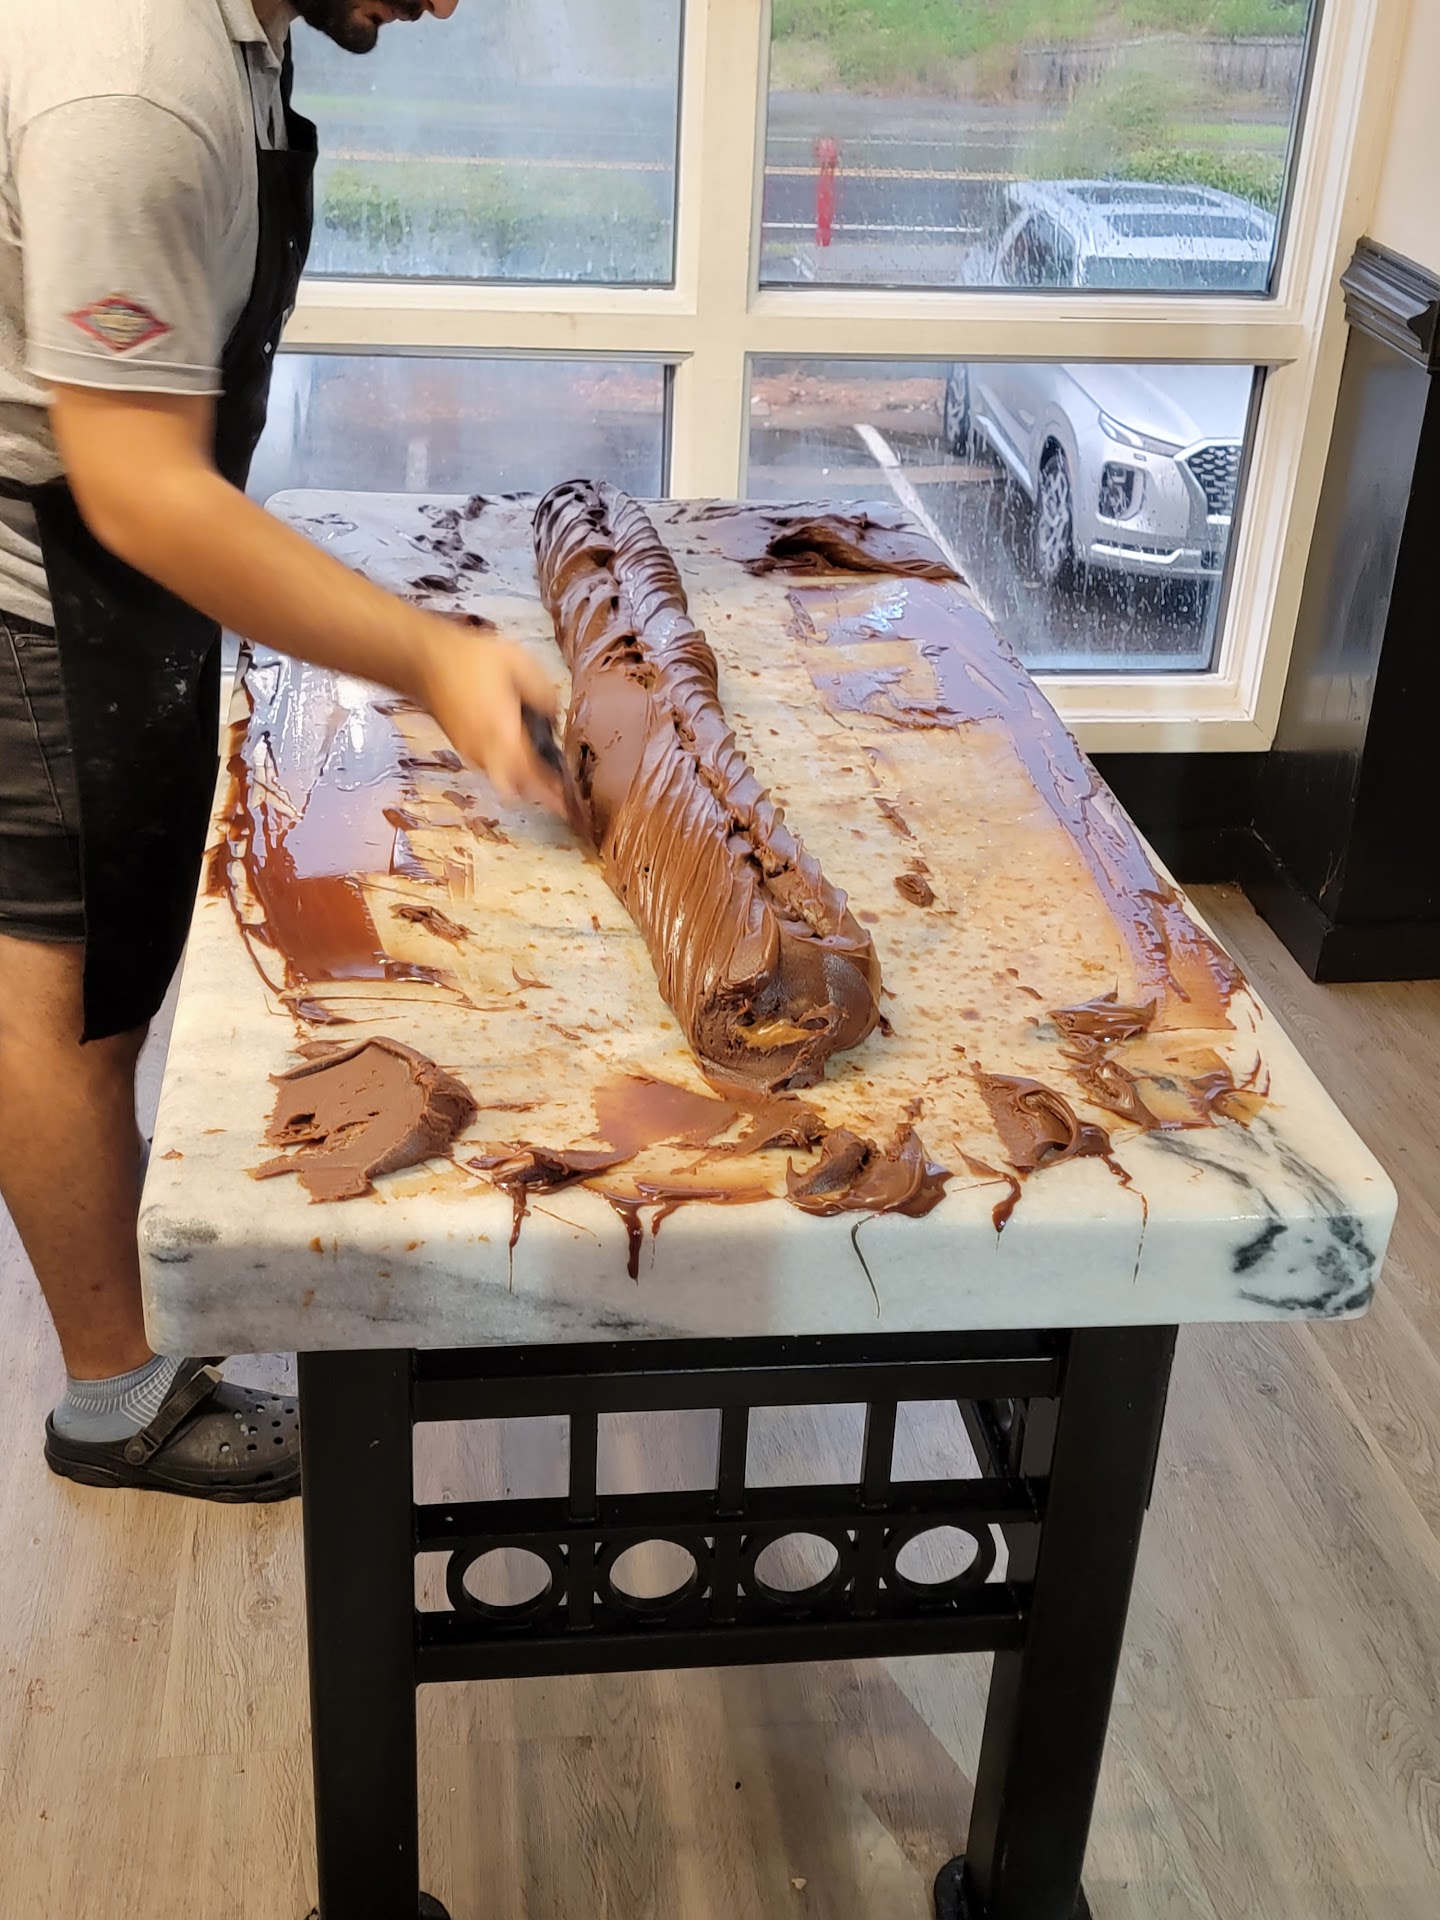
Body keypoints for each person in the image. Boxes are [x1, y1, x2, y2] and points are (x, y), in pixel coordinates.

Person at [0, 0, 561, 1502]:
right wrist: (431, 657)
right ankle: (115, 1400)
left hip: (108, 560)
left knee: (109, 975)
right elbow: (137, 487)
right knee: (58, 998)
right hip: (36, 580)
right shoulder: (127, 79)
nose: (444, 3)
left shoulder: (242, 27)